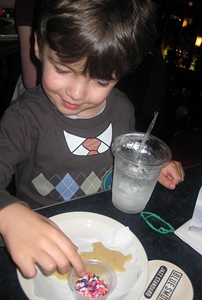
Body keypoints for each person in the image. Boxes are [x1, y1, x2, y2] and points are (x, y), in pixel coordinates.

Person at [0, 0, 184, 280]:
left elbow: (117, 165)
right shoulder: (24, 119)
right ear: (38, 46)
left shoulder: (123, 110)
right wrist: (9, 215)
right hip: (42, 248)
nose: (76, 92)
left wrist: (149, 169)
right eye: (62, 69)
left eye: (100, 80)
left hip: (103, 239)